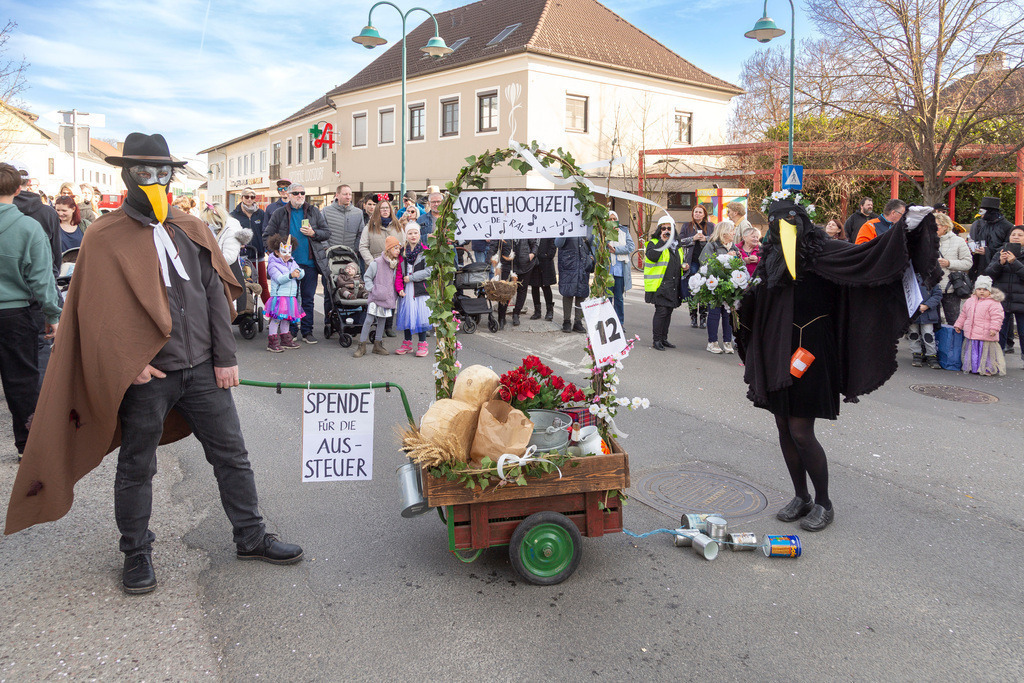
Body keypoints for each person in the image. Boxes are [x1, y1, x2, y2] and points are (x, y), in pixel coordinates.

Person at [5, 133, 303, 594]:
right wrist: (129, 363)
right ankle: (136, 551)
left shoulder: (190, 226)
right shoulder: (104, 235)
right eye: (144, 172)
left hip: (204, 369)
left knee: (232, 456)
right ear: (128, 174)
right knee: (136, 465)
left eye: (162, 172)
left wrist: (225, 358)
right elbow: (94, 312)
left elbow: (214, 297)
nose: (154, 180)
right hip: (148, 375)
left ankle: (250, 536)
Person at [737, 200, 939, 532]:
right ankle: (801, 496)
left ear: (803, 220)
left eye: (790, 219)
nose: (782, 226)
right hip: (777, 350)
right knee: (784, 429)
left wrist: (909, 227)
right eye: (774, 221)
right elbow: (759, 301)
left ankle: (824, 503)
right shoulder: (770, 258)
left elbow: (870, 256)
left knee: (801, 431)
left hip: (813, 350)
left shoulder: (825, 251)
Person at [0, 163, 61, 459]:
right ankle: (27, 445)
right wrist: (53, 315)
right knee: (21, 381)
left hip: (13, 314)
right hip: (15, 314)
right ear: (18, 189)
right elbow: (42, 278)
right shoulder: (28, 227)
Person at [263, 182, 330, 344]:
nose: (300, 196)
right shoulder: (279, 213)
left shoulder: (313, 211)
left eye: (302, 193)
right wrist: (277, 254)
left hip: (309, 263)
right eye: (296, 193)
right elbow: (267, 236)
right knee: (289, 299)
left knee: (308, 298)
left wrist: (314, 233)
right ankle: (290, 331)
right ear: (288, 195)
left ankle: (307, 331)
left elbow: (326, 232)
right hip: (288, 266)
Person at [644, 216, 689, 350]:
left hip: (673, 284)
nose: (666, 230)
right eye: (663, 228)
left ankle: (664, 338)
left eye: (669, 228)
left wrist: (683, 266)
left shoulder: (677, 245)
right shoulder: (654, 242)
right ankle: (656, 340)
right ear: (659, 229)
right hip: (660, 285)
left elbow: (677, 261)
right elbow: (652, 257)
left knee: (668, 312)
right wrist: (662, 242)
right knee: (661, 311)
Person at [359, 196, 402, 337]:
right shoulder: (369, 227)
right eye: (382, 208)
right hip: (376, 265)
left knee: (390, 295)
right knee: (376, 295)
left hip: (393, 265)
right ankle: (377, 326)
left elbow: (403, 246)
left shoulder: (397, 226)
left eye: (387, 208)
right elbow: (363, 246)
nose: (385, 210)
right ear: (378, 210)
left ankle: (388, 326)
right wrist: (372, 262)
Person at [354, 235, 401, 357]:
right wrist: (372, 289)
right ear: (389, 249)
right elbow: (367, 277)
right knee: (369, 319)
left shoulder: (397, 264)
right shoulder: (377, 262)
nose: (398, 251)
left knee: (382, 320)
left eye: (399, 248)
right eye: (395, 248)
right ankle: (362, 345)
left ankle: (378, 344)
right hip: (376, 296)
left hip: (388, 298)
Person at [984, 226, 1024, 366]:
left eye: (1020, 235)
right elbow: (989, 274)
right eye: (1013, 234)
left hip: (1021, 300)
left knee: (1023, 331)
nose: (1016, 237)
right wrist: (1000, 263)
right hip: (1002, 298)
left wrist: (1014, 262)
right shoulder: (1000, 253)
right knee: (998, 330)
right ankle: (997, 358)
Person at [700, 219, 740, 354]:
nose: (734, 233)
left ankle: (727, 341)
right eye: (731, 230)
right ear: (724, 232)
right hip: (714, 284)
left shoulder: (734, 247)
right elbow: (705, 263)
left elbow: (740, 265)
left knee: (728, 313)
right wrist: (725, 258)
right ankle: (712, 342)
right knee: (714, 313)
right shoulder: (712, 246)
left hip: (729, 285)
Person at [954, 276, 1006, 376]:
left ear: (990, 291)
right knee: (973, 351)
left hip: (986, 334)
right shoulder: (969, 301)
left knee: (986, 353)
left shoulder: (993, 303)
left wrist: (994, 329)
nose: (982, 292)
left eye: (985, 289)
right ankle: (973, 366)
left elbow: (997, 317)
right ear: (975, 290)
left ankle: (987, 368)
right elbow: (964, 314)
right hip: (972, 333)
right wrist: (958, 325)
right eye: (979, 289)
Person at [395, 224, 433, 356]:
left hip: (420, 289)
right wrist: (399, 288)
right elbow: (399, 272)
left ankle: (422, 344)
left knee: (420, 315)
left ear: (419, 234)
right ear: (406, 235)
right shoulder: (403, 252)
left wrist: (412, 278)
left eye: (415, 233)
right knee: (407, 315)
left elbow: (429, 271)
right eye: (410, 233)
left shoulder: (425, 251)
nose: (413, 236)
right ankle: (407, 343)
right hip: (406, 289)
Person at [264, 233, 304, 353]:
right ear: (276, 252)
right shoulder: (272, 265)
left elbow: (301, 273)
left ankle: (285, 339)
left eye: (289, 253)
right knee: (276, 319)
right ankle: (272, 342)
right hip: (279, 297)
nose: (287, 255)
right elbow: (279, 278)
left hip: (290, 296)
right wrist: (291, 275)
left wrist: (299, 272)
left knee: (286, 319)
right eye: (284, 252)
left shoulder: (292, 262)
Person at [230, 188, 268, 304]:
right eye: (246, 197)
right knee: (244, 284)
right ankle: (246, 310)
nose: (249, 199)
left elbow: (266, 231)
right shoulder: (234, 215)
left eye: (252, 197)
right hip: (242, 256)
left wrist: (266, 247)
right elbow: (230, 233)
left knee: (263, 284)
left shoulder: (260, 213)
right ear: (241, 198)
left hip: (258, 254)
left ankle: (271, 312)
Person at [935, 212, 972, 324]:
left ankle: (954, 342)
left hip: (951, 287)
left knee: (954, 322)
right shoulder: (926, 241)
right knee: (932, 323)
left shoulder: (958, 241)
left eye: (935, 225)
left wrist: (949, 263)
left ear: (945, 227)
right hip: (931, 288)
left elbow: (968, 263)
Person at [679, 204, 712, 328]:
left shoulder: (710, 226)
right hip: (691, 261)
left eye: (700, 212)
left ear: (704, 214)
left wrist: (705, 238)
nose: (697, 214)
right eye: (695, 212)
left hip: (705, 261)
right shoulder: (687, 226)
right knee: (693, 289)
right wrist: (693, 238)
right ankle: (693, 316)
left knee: (703, 289)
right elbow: (680, 241)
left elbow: (714, 240)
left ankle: (703, 316)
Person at [554, 232, 594, 333]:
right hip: (569, 265)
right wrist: (566, 230)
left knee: (581, 293)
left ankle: (578, 322)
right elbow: (558, 243)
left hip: (583, 264)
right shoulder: (566, 224)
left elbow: (592, 245)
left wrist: (592, 259)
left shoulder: (587, 227)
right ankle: (566, 321)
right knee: (568, 293)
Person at [969, 196, 1014, 275]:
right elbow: (974, 240)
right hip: (980, 266)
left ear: (990, 212)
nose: (981, 215)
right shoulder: (979, 225)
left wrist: (988, 251)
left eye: (982, 212)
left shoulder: (1007, 226)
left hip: (998, 266)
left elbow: (1008, 246)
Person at [908, 273, 943, 368]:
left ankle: (931, 355)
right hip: (913, 312)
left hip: (928, 313)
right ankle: (916, 354)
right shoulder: (909, 278)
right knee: (913, 334)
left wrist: (927, 305)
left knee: (928, 335)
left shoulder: (932, 278)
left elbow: (937, 294)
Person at [607, 211, 635, 326]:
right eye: (610, 219)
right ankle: (607, 322)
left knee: (618, 298)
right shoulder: (603, 231)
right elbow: (598, 247)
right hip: (608, 271)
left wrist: (616, 250)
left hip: (620, 270)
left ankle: (619, 323)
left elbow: (631, 246)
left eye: (615, 219)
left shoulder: (624, 231)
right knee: (607, 299)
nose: (613, 221)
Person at [322, 184, 365, 259]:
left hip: (350, 256)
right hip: (330, 255)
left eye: (350, 194)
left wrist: (355, 250)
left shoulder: (358, 212)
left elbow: (361, 233)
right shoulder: (326, 211)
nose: (348, 197)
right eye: (345, 194)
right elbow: (321, 231)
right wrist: (326, 248)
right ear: (337, 195)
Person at [527, 237, 557, 321]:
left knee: (546, 286)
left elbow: (553, 244)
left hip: (546, 261)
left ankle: (549, 311)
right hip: (534, 262)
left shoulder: (548, 231)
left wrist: (549, 254)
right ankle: (537, 311)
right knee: (534, 286)